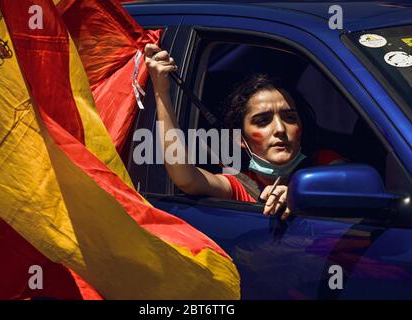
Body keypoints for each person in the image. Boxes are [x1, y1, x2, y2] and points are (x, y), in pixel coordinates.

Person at [144, 44, 344, 220]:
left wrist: (300, 193)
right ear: (240, 138)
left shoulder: (324, 163)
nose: (281, 129)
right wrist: (161, 92)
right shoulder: (238, 186)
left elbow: (356, 183)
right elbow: (186, 178)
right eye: (263, 121)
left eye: (289, 118)